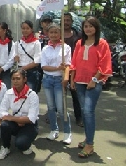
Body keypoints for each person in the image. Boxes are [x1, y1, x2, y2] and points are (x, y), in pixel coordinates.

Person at [70, 16, 112, 158]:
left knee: (88, 111)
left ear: (96, 28)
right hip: (79, 81)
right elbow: (74, 62)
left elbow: (104, 64)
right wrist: (72, 80)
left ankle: (89, 145)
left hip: (94, 83)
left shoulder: (102, 43)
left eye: (91, 26)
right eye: (86, 26)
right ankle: (87, 139)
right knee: (84, 111)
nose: (88, 29)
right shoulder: (79, 43)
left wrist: (94, 80)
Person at [0, 68, 39, 160]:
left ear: (24, 79)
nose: (15, 81)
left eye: (18, 78)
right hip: (16, 122)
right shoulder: (9, 93)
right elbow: (2, 111)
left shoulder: (32, 95)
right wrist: (16, 119)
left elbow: (31, 119)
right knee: (4, 125)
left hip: (29, 125)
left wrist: (12, 118)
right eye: (13, 79)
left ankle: (26, 142)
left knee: (21, 144)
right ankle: (5, 147)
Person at [41, 23, 72, 144]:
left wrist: (65, 77)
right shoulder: (45, 48)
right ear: (48, 34)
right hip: (48, 79)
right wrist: (57, 68)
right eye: (51, 32)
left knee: (61, 108)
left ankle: (67, 132)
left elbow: (68, 65)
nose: (53, 35)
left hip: (59, 80)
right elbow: (44, 66)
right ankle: (54, 129)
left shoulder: (66, 47)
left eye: (56, 32)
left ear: (60, 34)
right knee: (51, 107)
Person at [63, 12, 83, 127]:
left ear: (71, 22)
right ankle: (54, 115)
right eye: (64, 20)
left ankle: (79, 117)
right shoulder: (57, 34)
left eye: (68, 20)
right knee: (59, 94)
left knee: (76, 95)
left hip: (75, 70)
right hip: (60, 69)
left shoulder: (78, 36)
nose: (66, 22)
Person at [13, 20, 41, 92]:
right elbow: (14, 56)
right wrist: (15, 58)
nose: (25, 30)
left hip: (31, 72)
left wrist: (23, 68)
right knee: (19, 92)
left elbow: (37, 61)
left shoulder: (36, 43)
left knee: (30, 94)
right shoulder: (18, 43)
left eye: (27, 28)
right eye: (23, 28)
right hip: (19, 71)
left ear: (31, 29)